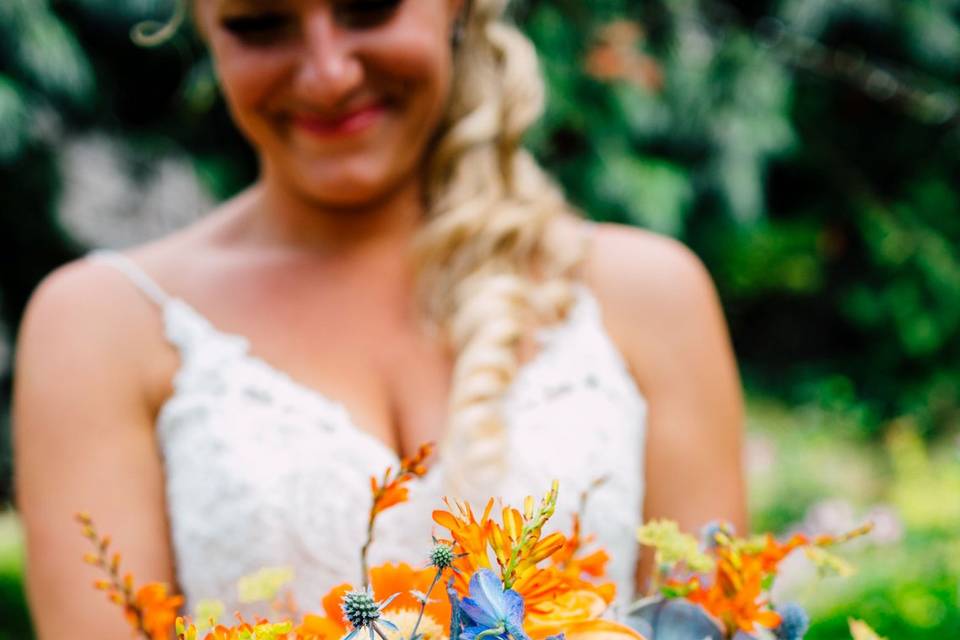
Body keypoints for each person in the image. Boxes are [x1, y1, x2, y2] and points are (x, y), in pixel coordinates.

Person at [12, 0, 746, 637]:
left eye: (370, 8)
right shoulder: (102, 325)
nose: (328, 73)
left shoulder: (651, 297)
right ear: (203, 28)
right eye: (260, 25)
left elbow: (710, 620)